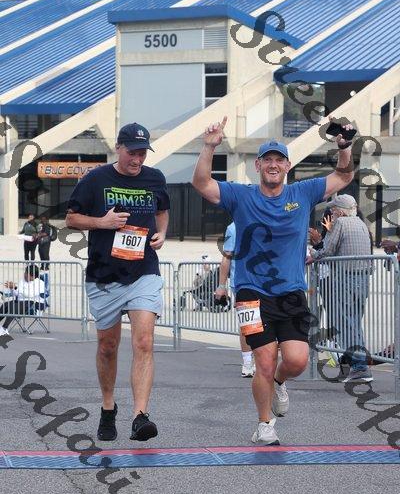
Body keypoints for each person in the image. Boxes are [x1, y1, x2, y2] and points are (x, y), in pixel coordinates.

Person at [192, 115, 355, 445]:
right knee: (264, 361)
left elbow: (343, 176)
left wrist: (345, 147)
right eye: (267, 160)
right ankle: (265, 424)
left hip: (291, 292)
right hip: (251, 293)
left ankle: (280, 383)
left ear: (287, 166)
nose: (273, 165)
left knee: (296, 360)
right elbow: (202, 184)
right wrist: (208, 147)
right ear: (258, 165)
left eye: (279, 160)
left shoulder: (303, 192)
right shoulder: (241, 195)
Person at [66, 122, 170, 443]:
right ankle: (108, 407)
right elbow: (71, 218)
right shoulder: (95, 179)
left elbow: (162, 209)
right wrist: (102, 222)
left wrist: (162, 233)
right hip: (105, 275)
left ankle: (140, 417)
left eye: (142, 153)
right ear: (118, 148)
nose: (137, 159)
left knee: (144, 342)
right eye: (132, 153)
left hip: (144, 272)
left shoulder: (155, 178)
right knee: (108, 347)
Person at [308, 194, 373, 383]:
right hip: (362, 279)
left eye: (334, 210)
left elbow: (327, 250)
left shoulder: (340, 224)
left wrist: (313, 253)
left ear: (341, 212)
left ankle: (359, 366)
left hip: (344, 278)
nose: (332, 213)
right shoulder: (361, 224)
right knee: (354, 322)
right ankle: (360, 363)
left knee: (344, 322)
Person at [215, 221, 255, 378]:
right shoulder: (233, 227)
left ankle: (260, 360)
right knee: (248, 324)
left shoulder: (265, 219)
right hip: (242, 283)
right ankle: (247, 362)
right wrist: (221, 285)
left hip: (264, 283)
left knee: (264, 324)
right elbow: (226, 257)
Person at [0, 264, 45, 336]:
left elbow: (30, 295)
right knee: (6, 305)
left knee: (14, 306)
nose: (25, 275)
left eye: (27, 274)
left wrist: (16, 288)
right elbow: (17, 294)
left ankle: (4, 328)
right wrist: (12, 288)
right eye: (25, 273)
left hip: (33, 304)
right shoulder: (22, 281)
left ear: (33, 276)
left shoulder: (40, 283)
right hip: (20, 302)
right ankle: (3, 329)